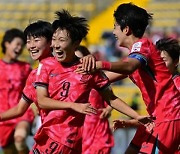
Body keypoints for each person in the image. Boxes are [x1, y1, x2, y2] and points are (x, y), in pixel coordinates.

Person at [33, 10, 152, 154]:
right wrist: (73, 105)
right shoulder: (46, 65)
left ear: (76, 43)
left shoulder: (89, 69)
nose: (56, 45)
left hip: (63, 137)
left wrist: (137, 116)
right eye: (54, 39)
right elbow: (42, 101)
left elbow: (111, 99)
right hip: (47, 135)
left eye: (62, 40)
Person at [76, 3, 180, 154]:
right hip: (156, 118)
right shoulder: (134, 57)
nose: (113, 32)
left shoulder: (142, 45)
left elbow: (129, 67)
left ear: (126, 29)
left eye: (115, 27)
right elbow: (103, 79)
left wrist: (98, 64)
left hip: (168, 116)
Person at [0, 21, 95, 154]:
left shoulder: (65, 63)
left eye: (36, 40)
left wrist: (89, 58)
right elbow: (20, 108)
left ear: (51, 42)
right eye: (28, 41)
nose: (31, 46)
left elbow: (84, 63)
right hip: (49, 133)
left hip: (63, 136)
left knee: (19, 138)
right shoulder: (35, 74)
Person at [0, 28, 34, 154]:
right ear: (7, 43)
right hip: (3, 116)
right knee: (9, 151)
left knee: (20, 140)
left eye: (22, 46)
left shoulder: (25, 67)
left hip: (21, 111)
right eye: (17, 44)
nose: (20, 48)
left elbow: (33, 89)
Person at [75, 45, 114, 154]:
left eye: (79, 59)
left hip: (98, 126)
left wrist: (108, 110)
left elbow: (111, 98)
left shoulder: (98, 78)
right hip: (79, 127)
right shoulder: (69, 81)